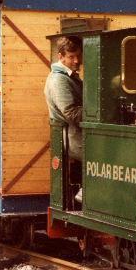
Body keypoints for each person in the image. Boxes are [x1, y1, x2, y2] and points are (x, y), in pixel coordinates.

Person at [45, 35, 84, 190]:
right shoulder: (59, 80)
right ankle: (88, 193)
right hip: (72, 139)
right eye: (71, 57)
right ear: (60, 57)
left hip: (75, 136)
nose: (76, 61)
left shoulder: (69, 77)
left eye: (78, 56)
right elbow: (71, 113)